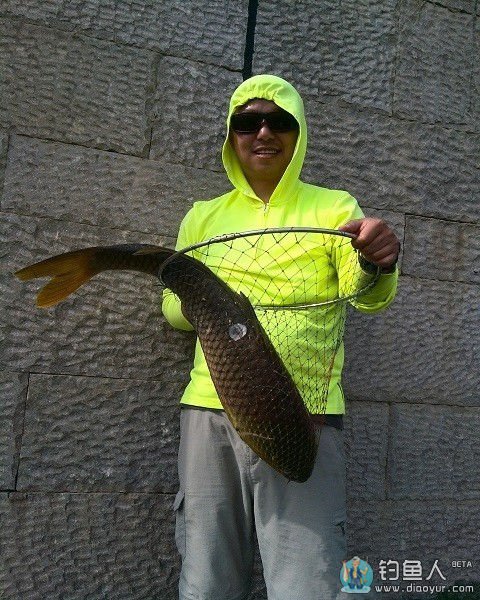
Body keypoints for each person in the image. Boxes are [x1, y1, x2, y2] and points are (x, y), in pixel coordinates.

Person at [162, 74, 400, 600]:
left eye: (279, 122)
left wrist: (377, 260)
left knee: (309, 580)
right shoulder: (202, 217)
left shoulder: (334, 207)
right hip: (210, 409)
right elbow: (172, 311)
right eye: (248, 122)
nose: (263, 133)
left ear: (299, 133)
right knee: (207, 575)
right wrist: (217, 305)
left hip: (305, 414)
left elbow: (367, 295)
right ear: (232, 136)